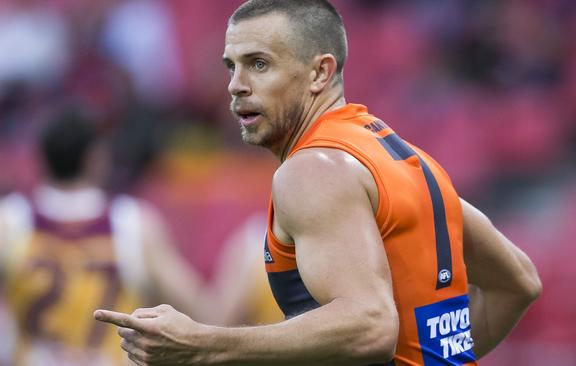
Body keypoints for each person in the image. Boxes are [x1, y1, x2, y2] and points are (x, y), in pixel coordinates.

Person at [94, 1, 542, 365]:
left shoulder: (312, 170)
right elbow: (517, 282)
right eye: (231, 66)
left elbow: (370, 325)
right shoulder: (405, 159)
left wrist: (202, 344)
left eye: (259, 64)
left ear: (320, 73)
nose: (235, 85)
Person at [0, 110, 244, 365]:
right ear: (94, 158)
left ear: (42, 159)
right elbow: (201, 311)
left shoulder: (10, 221)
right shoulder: (134, 223)